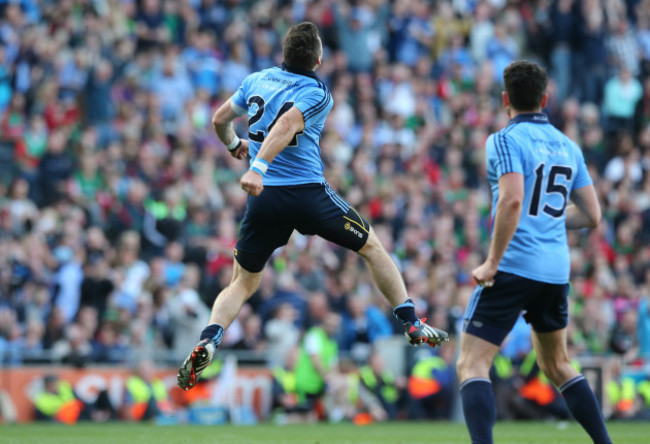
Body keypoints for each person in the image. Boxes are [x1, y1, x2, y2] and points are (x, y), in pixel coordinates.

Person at [177, 22, 448, 391]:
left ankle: (209, 339)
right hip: (306, 194)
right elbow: (288, 123)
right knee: (372, 246)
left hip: (265, 199)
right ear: (318, 59)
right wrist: (258, 166)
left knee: (242, 282)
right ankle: (412, 322)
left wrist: (233, 145)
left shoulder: (256, 80)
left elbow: (219, 119)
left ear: (283, 53)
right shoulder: (318, 91)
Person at [456, 61, 612, 444]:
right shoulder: (568, 145)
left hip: (513, 267)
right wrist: (548, 221)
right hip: (555, 271)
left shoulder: (504, 140)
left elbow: (511, 200)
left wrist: (492, 261)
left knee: (472, 363)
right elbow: (592, 214)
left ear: (505, 99)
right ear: (545, 99)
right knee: (556, 363)